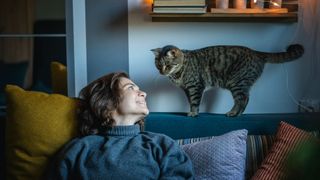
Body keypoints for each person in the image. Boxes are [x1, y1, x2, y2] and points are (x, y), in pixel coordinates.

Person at [48, 72, 194, 179]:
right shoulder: (78, 149)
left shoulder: (162, 144)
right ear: (107, 101)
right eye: (131, 88)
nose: (143, 93)